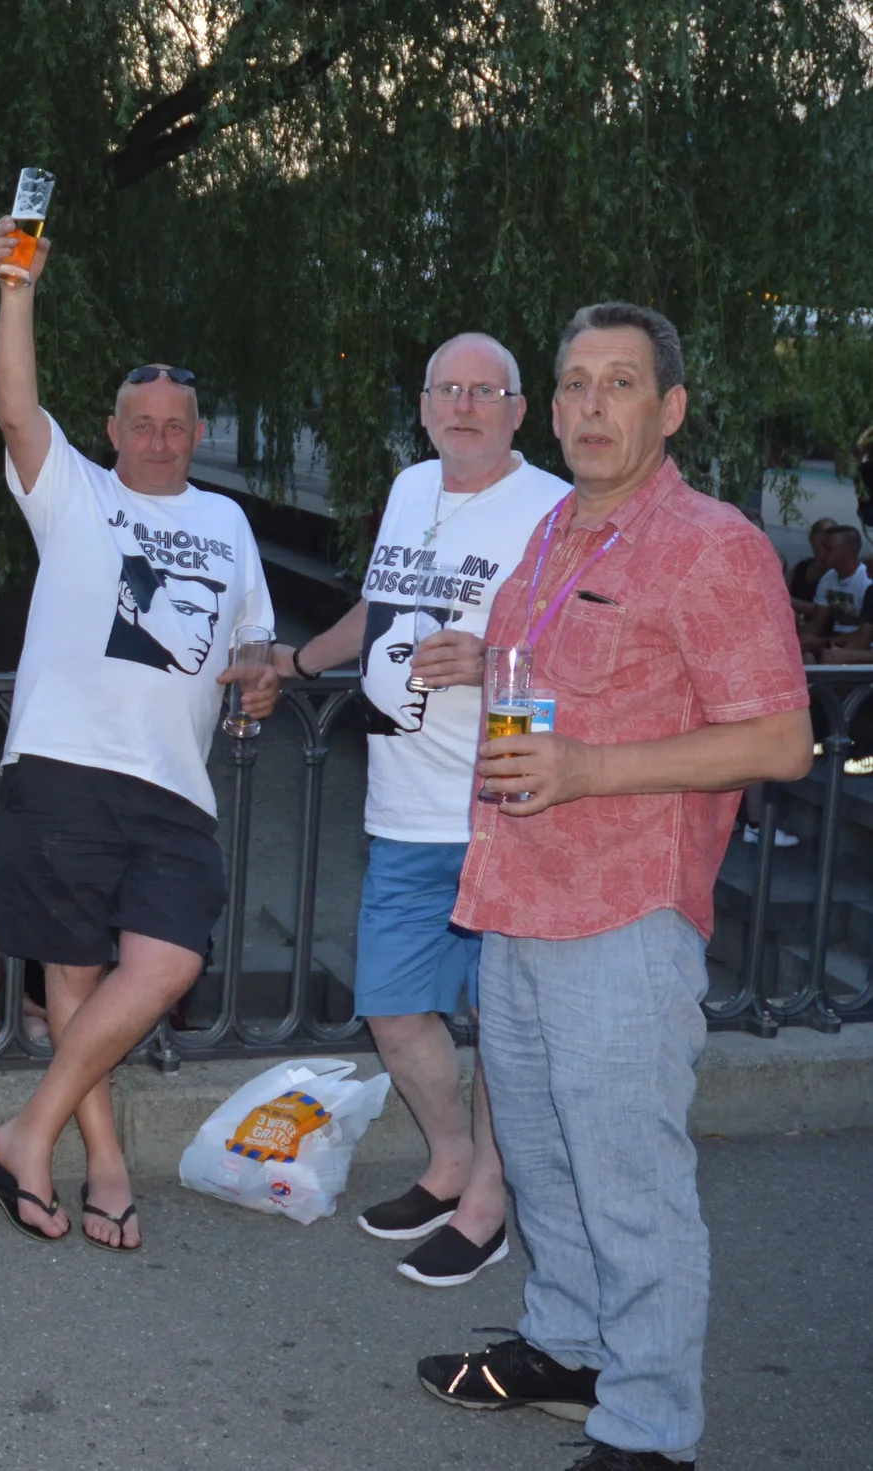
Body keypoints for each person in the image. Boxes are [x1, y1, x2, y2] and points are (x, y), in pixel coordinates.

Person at [417, 304, 812, 1471]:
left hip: (624, 915)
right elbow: (543, 676)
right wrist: (473, 663)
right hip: (517, 895)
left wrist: (590, 769)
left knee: (630, 1181)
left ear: (668, 408)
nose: (592, 405)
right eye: (576, 383)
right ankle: (567, 1345)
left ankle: (648, 1427)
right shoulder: (553, 532)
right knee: (541, 1159)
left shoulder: (712, 544)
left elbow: (783, 739)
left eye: (620, 384)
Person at [0, 220, 278, 1253]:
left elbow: (254, 645)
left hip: (177, 786)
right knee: (73, 976)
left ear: (196, 433)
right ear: (108, 431)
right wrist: (19, 290)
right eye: (139, 422)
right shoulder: (74, 495)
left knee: (166, 963)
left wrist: (263, 681)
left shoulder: (230, 526)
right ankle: (98, 1164)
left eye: (175, 424)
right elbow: (15, 405)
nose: (157, 437)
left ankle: (26, 1131)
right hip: (61, 763)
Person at [269, 333, 569, 1287]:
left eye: (486, 390)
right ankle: (448, 1162)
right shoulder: (409, 487)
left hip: (501, 806)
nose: (465, 405)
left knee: (504, 1027)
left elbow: (584, 645)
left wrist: (490, 659)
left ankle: (489, 1201)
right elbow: (380, 604)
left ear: (519, 409)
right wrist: (299, 661)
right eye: (448, 389)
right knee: (396, 1007)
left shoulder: (554, 507)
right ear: (427, 403)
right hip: (402, 802)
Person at [798, 524, 870, 661]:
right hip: (835, 641)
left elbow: (866, 634)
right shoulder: (829, 577)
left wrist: (823, 642)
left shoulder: (866, 582)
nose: (821, 553)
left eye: (828, 548)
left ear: (849, 552)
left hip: (861, 647)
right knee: (805, 656)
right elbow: (817, 624)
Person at [784, 517, 835, 604]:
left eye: (831, 532)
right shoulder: (801, 567)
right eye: (822, 532)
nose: (826, 536)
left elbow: (823, 608)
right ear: (811, 536)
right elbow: (784, 590)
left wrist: (787, 601)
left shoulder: (836, 571)